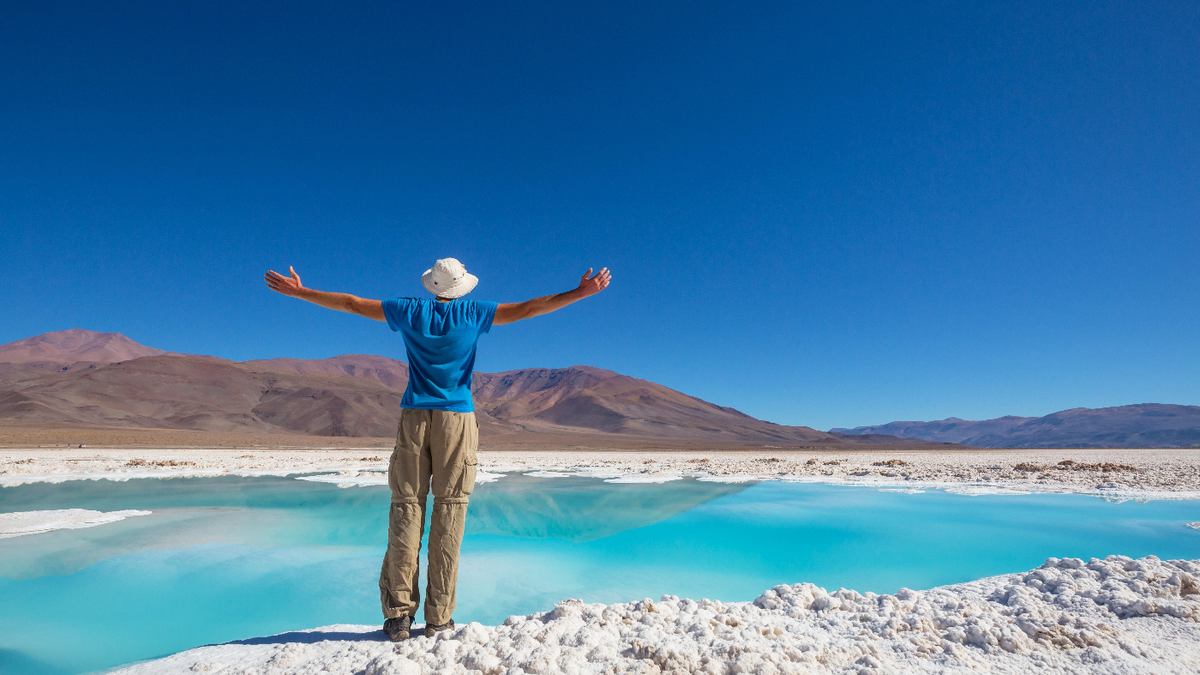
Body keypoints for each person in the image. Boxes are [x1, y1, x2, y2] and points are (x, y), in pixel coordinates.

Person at [264, 257, 612, 640]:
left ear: (431, 285)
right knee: (450, 512)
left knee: (406, 508)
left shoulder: (409, 310)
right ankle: (438, 618)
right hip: (457, 421)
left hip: (414, 418)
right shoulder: (474, 313)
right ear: (462, 286)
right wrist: (580, 293)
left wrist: (301, 293)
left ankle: (398, 616)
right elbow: (530, 308)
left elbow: (351, 303)